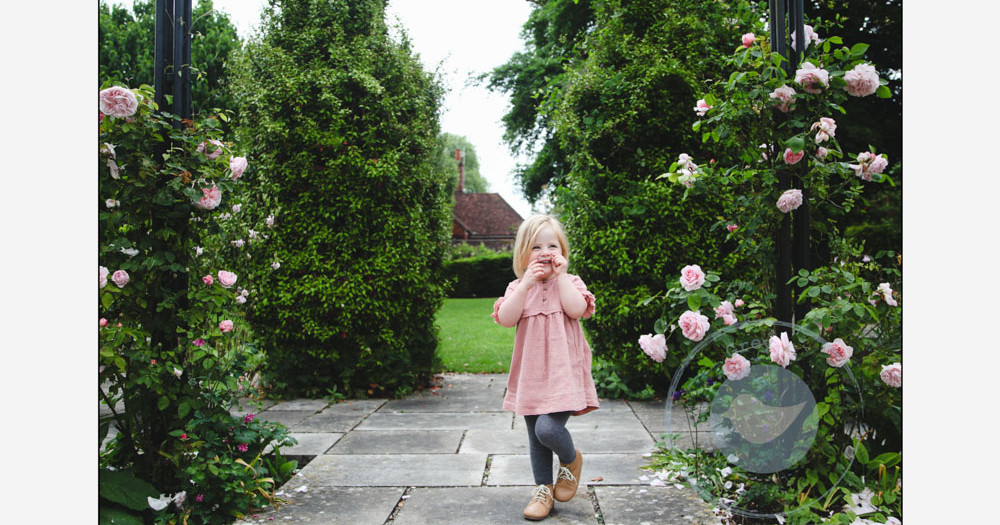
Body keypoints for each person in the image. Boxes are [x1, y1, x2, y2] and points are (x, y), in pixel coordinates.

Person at [492, 214, 599, 521]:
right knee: (534, 435)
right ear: (524, 254)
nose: (545, 251)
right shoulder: (518, 287)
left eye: (552, 244)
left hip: (564, 372)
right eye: (536, 246)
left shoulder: (571, 282)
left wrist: (563, 277)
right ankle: (543, 491)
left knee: (548, 428)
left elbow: (577, 309)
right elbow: (506, 318)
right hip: (531, 374)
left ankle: (571, 459)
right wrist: (525, 284)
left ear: (562, 251)